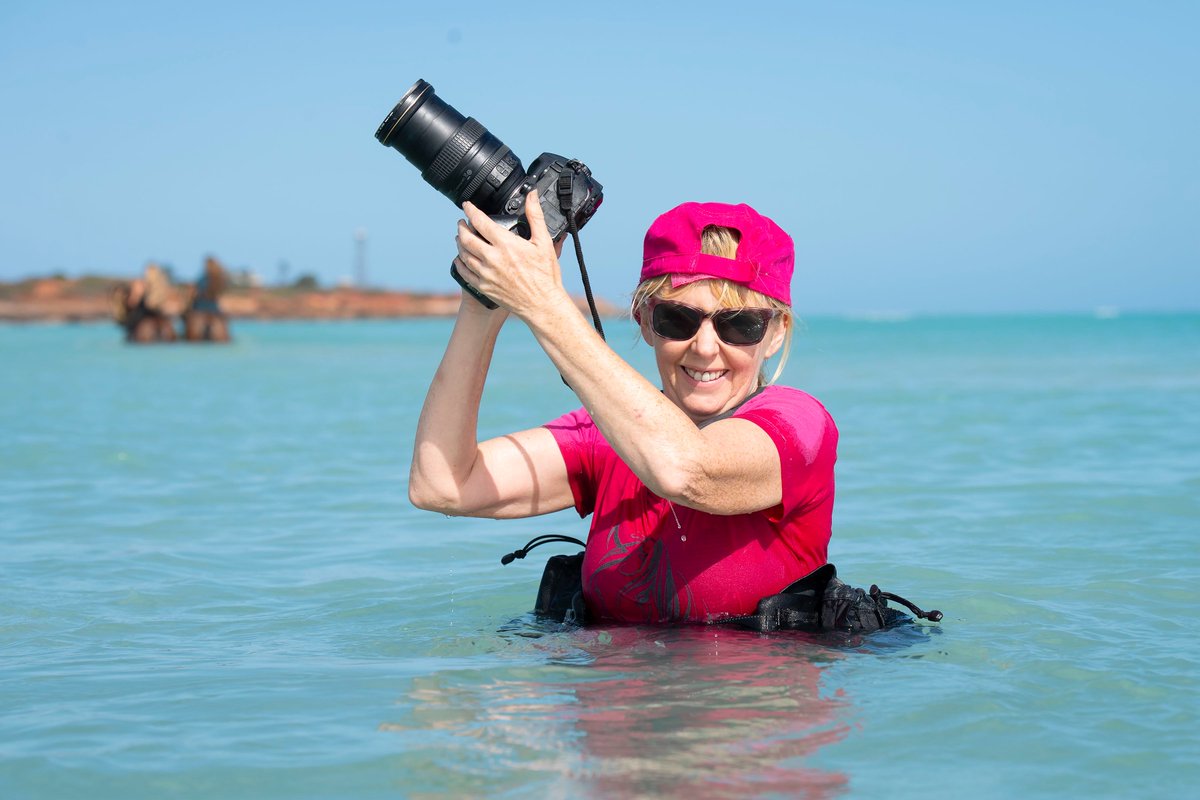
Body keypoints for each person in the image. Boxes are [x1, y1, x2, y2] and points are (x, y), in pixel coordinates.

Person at [409, 195, 838, 624]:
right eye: (678, 320)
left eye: (740, 325)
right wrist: (482, 303)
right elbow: (442, 484)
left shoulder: (798, 425)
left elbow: (689, 472)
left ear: (776, 333)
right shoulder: (607, 438)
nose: (706, 348)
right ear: (644, 321)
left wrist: (543, 303)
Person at [183, 256, 231, 342]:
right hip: (214, 309)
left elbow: (193, 293)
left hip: (199, 307)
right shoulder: (219, 279)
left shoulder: (202, 278)